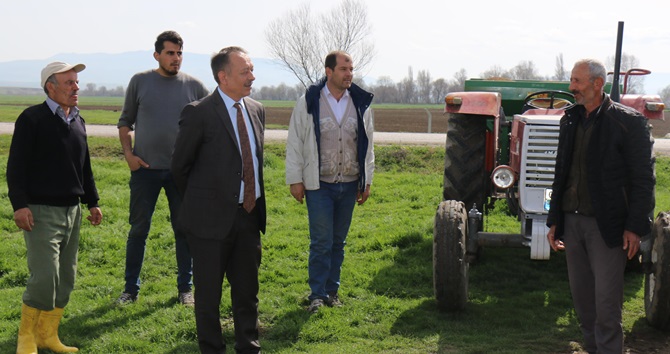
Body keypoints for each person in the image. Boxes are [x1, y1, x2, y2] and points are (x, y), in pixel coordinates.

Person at [546, 59, 654, 353]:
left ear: (597, 84)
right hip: (572, 222)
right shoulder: (570, 119)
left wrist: (634, 227)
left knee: (606, 307)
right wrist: (554, 219)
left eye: (577, 82)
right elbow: (561, 171)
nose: (572, 88)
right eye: (571, 81)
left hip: (607, 227)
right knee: (584, 305)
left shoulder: (628, 122)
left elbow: (644, 179)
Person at [171, 46, 266, 354]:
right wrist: (205, 205)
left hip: (248, 217)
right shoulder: (199, 112)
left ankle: (248, 347)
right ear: (223, 77)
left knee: (247, 293)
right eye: (245, 71)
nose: (252, 76)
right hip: (209, 224)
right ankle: (212, 349)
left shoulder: (256, 109)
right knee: (209, 297)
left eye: (251, 70)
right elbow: (180, 168)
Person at [8, 61, 103, 353]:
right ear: (51, 86)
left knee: (66, 278)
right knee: (46, 275)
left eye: (76, 82)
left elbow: (84, 167)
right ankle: (26, 338)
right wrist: (20, 205)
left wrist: (92, 201)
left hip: (72, 210)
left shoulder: (78, 120)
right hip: (39, 211)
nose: (77, 87)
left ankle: (47, 335)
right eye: (70, 83)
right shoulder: (31, 119)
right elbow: (16, 167)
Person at [116, 30, 209, 306]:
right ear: (157, 55)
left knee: (184, 230)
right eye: (170, 53)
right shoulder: (140, 82)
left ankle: (185, 289)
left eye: (179, 53)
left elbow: (211, 125)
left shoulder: (195, 87)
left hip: (181, 174)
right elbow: (124, 122)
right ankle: (130, 289)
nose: (176, 58)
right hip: (144, 171)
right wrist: (129, 155)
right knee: (138, 230)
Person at [285, 50, 374, 313]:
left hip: (349, 183)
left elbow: (368, 145)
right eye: (344, 69)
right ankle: (316, 294)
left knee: (338, 241)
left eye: (351, 69)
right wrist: (295, 179)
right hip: (318, 184)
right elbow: (295, 142)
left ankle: (332, 291)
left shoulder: (360, 103)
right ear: (329, 72)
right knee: (321, 241)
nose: (349, 74)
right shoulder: (309, 101)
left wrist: (366, 180)